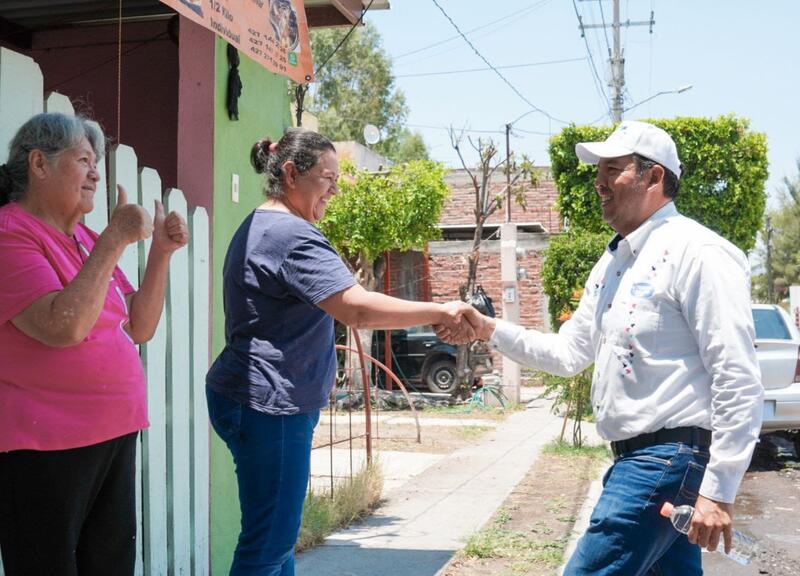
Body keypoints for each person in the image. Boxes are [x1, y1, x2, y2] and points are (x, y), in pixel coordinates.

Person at [444, 121, 764, 575]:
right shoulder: (614, 262)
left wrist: (719, 490)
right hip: (636, 460)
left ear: (654, 178)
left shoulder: (699, 252)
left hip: (665, 462)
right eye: (599, 170)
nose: (598, 182)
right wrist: (487, 328)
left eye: (613, 169)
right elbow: (568, 353)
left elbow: (736, 374)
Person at [205, 129, 473, 576]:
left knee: (277, 542)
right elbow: (356, 308)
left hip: (255, 397)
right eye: (327, 177)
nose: (334, 188)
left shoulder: (265, 223)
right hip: (272, 405)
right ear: (291, 173)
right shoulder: (291, 234)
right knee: (267, 548)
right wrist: (438, 309)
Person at [0, 113, 189, 576]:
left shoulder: (82, 237)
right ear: (40, 164)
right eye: (84, 159)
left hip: (111, 431)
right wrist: (116, 237)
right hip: (45, 444)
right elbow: (62, 326)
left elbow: (140, 326)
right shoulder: (11, 233)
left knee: (109, 563)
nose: (96, 173)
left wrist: (159, 254)